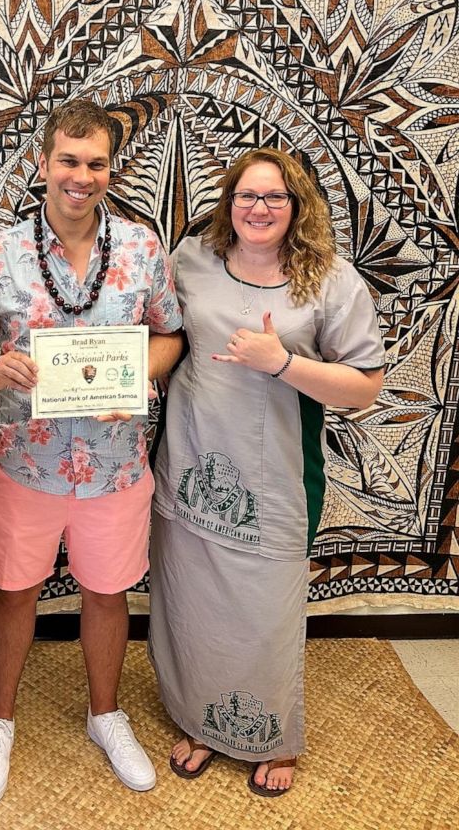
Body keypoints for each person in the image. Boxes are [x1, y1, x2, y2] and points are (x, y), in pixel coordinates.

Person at [0, 98, 184, 803]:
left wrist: (139, 375)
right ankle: (0, 720)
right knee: (14, 592)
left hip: (115, 460)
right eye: (68, 161)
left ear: (111, 169)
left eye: (96, 163)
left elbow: (171, 333)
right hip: (23, 461)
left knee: (109, 592)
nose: (81, 175)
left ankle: (107, 713)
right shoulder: (1, 253)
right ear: (43, 164)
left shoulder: (139, 249)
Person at [148, 148, 385, 796]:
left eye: (274, 198)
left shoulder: (330, 280)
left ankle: (272, 739)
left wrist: (281, 362)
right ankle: (200, 723)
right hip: (192, 461)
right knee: (190, 603)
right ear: (229, 203)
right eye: (247, 196)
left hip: (274, 476)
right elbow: (162, 336)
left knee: (265, 612)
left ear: (296, 206)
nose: (258, 208)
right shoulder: (192, 259)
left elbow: (365, 385)